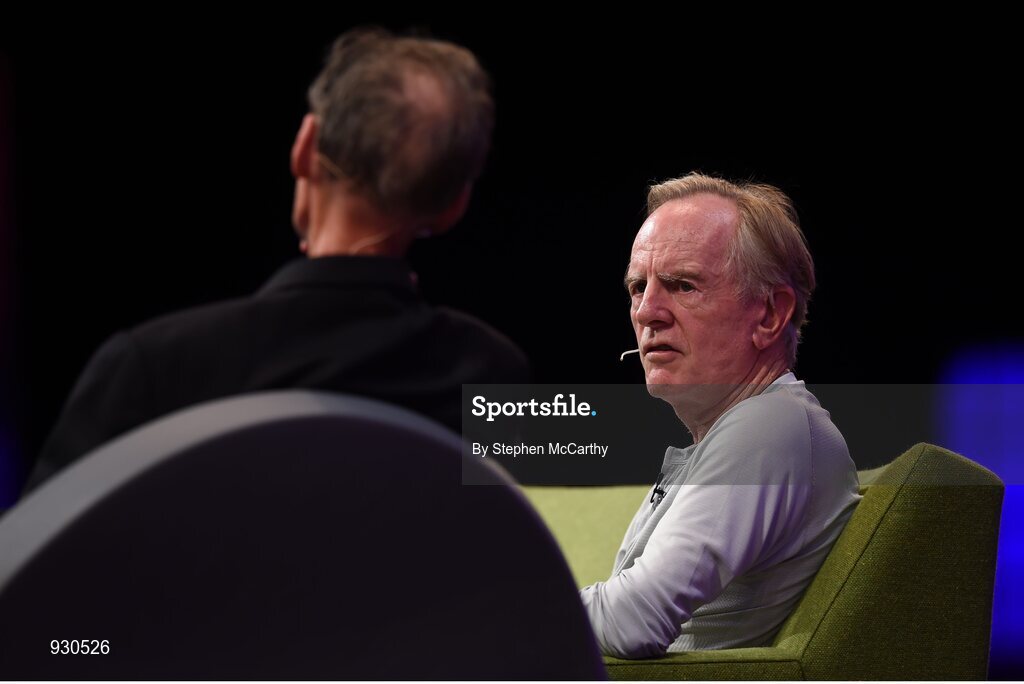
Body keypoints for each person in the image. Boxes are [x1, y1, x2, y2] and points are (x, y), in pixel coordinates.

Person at [24, 27, 527, 493]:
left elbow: (31, 574)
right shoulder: (495, 378)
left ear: (304, 145)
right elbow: (573, 568)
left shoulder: (151, 370)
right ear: (453, 207)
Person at [580, 173, 861, 657]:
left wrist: (497, 603)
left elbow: (632, 622)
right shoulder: (744, 429)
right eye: (637, 287)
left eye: (682, 285)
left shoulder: (771, 426)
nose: (647, 312)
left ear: (771, 315)